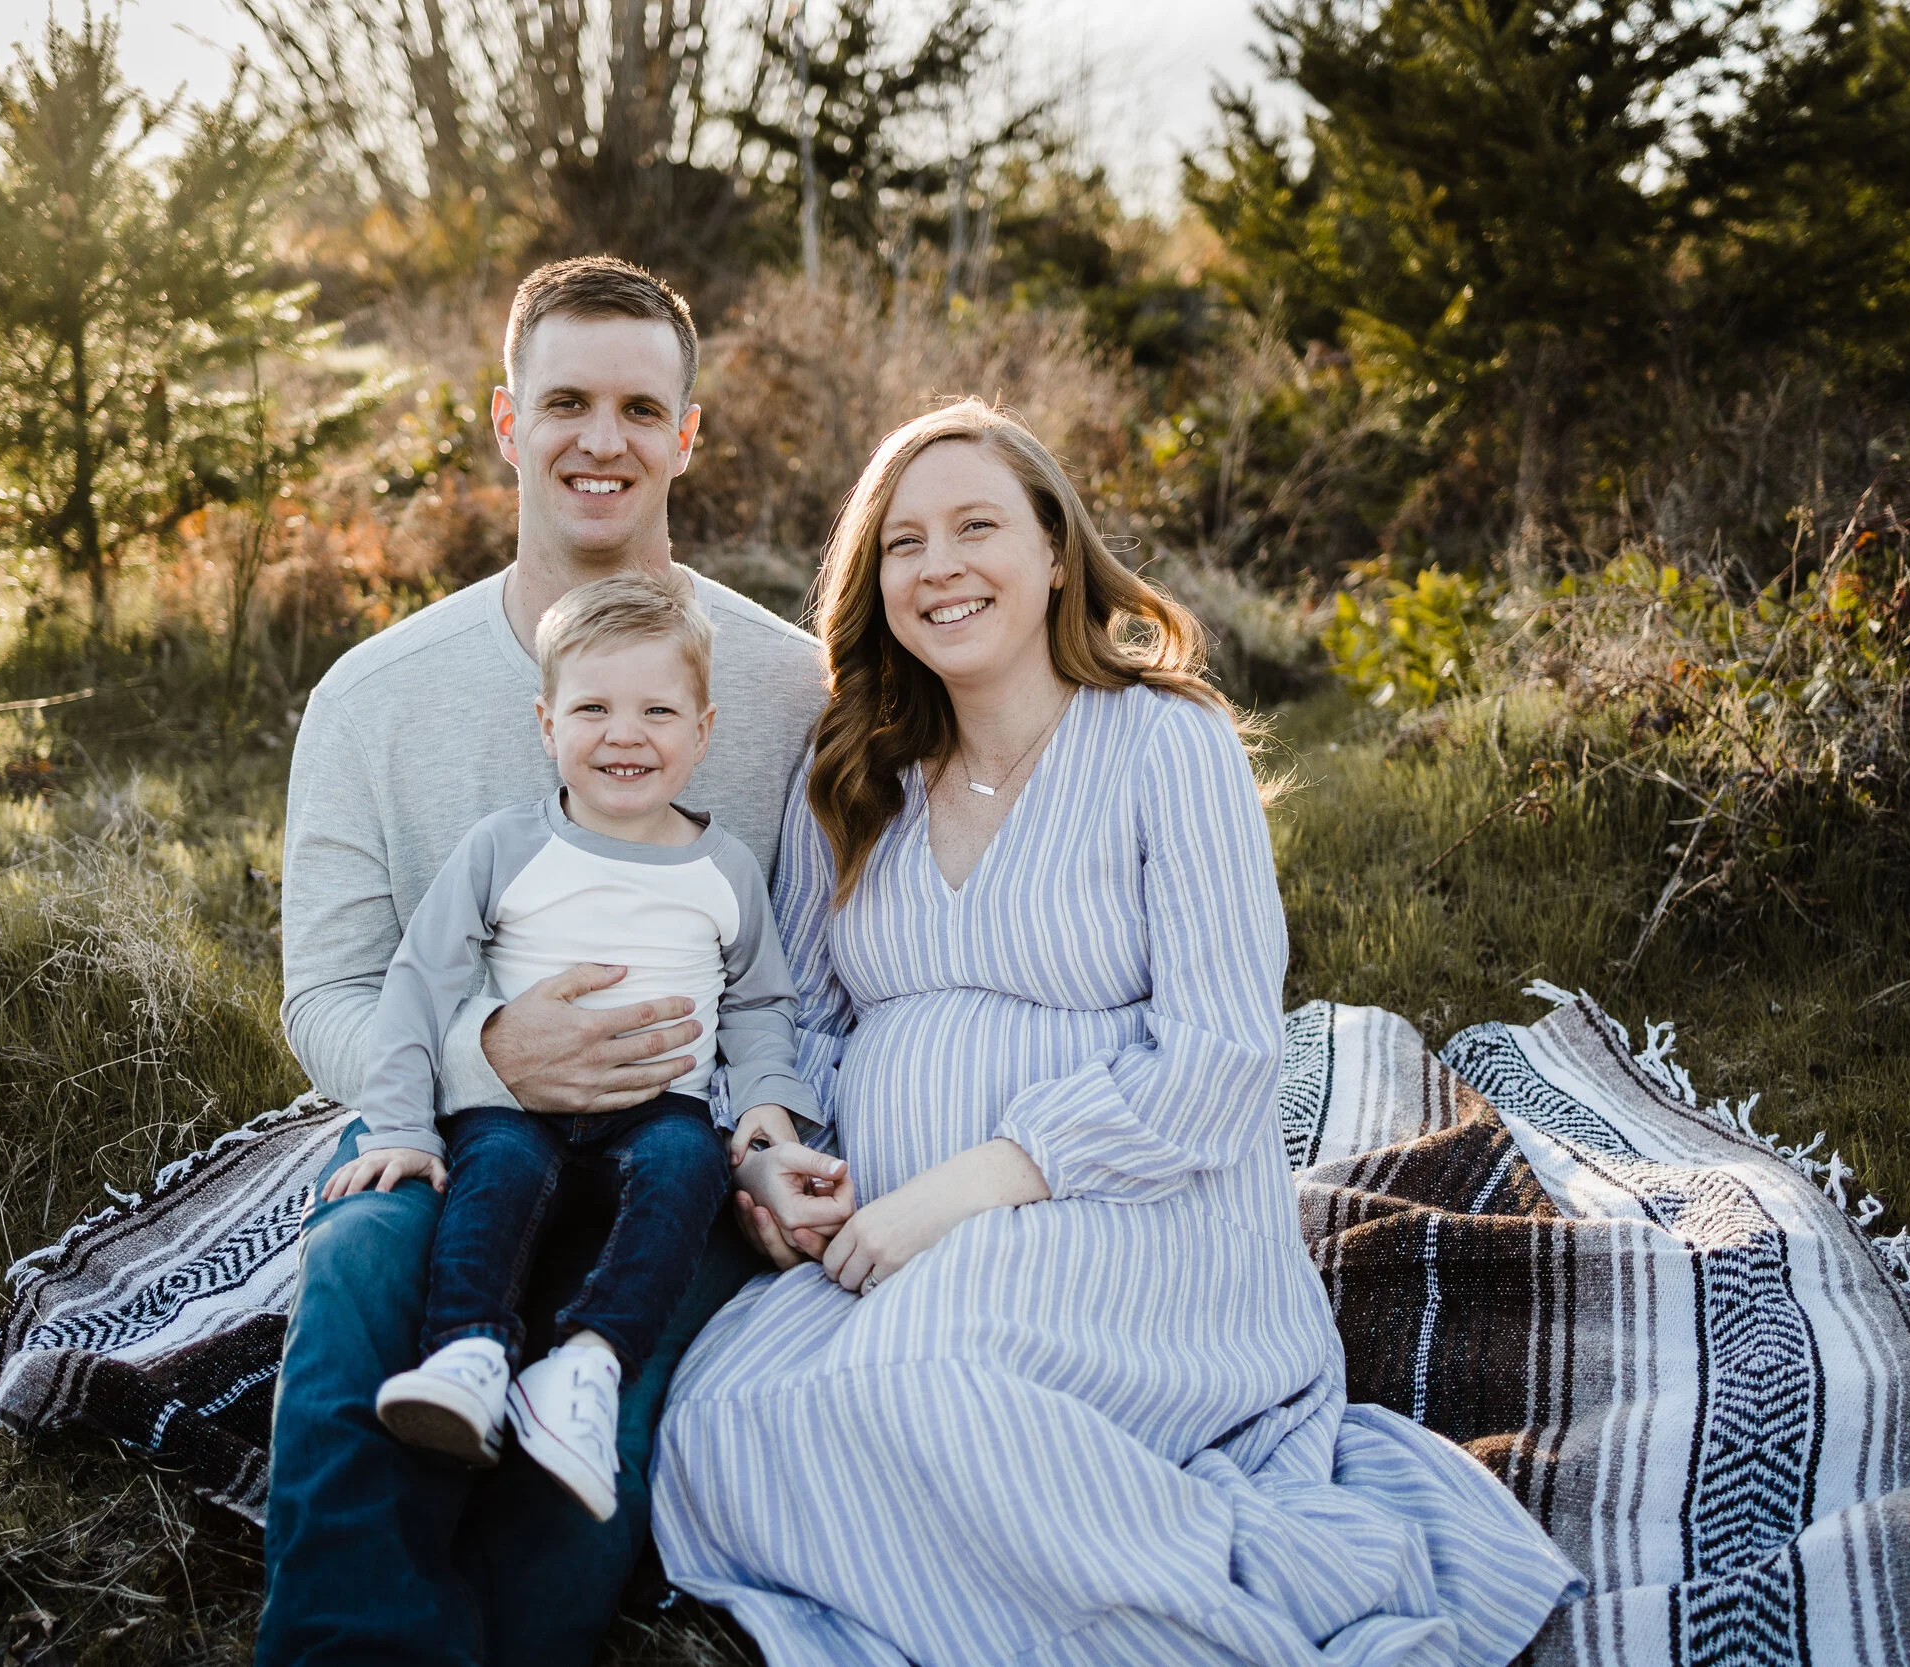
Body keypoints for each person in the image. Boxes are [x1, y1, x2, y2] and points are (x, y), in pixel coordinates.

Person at [653, 400, 1586, 1667]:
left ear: (1052, 552)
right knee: (717, 1423)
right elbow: (802, 1019)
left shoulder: (1165, 740)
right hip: (889, 1238)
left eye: (976, 525)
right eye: (903, 543)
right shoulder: (854, 766)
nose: (939, 566)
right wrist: (771, 1153)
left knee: (910, 1397)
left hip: (1131, 1214)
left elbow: (1219, 1053)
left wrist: (967, 1189)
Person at [259, 258, 846, 1667]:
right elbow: (326, 991)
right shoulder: (373, 698)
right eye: (566, 400)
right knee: (355, 1277)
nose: (603, 439)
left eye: (641, 407)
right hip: (456, 1131)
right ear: (507, 423)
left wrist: (770, 1136)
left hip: (676, 1157)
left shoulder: (784, 689)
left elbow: (808, 979)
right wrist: (485, 1055)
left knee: (593, 1453)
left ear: (687, 435)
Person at [336, 574, 821, 1526]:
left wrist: (768, 1105)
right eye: (592, 707)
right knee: (500, 1174)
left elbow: (763, 1001)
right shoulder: (505, 847)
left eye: (658, 710)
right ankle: (469, 1356)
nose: (625, 734)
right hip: (517, 1103)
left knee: (686, 1171)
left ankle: (586, 1366)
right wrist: (401, 1123)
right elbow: (417, 984)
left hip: (660, 1111)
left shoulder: (722, 868)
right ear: (547, 724)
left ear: (704, 729)